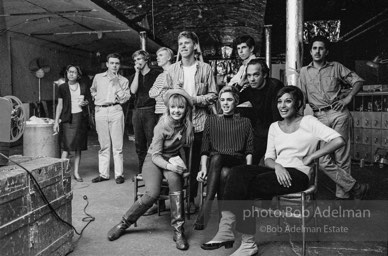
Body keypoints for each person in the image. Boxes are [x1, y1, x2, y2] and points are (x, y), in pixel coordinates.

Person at [201, 86, 368, 255]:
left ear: (298, 104)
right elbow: (268, 158)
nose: (282, 106)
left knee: (247, 186)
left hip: (298, 174)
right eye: (279, 102)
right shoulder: (274, 126)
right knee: (238, 172)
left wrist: (312, 157)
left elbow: (338, 140)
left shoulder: (309, 122)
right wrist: (278, 166)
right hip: (277, 171)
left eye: (288, 101)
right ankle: (226, 229)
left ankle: (247, 243)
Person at [107, 89, 194, 251]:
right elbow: (156, 156)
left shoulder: (187, 126)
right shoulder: (162, 126)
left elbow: (181, 148)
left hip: (171, 159)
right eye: (173, 107)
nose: (177, 111)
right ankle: (123, 223)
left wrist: (183, 166)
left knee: (176, 181)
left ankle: (178, 230)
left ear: (185, 109)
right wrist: (171, 166)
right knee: (152, 193)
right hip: (153, 160)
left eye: (180, 107)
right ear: (168, 108)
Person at [298, 35, 369, 200]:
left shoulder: (336, 67)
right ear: (310, 51)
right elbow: (301, 97)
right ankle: (356, 187)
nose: (317, 51)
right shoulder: (303, 72)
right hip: (319, 118)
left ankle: (342, 196)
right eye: (314, 48)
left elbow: (358, 81)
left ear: (326, 51)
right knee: (322, 160)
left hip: (339, 115)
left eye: (321, 48)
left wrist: (348, 98)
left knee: (341, 157)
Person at [165, 31, 218, 213]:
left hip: (199, 122)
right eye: (180, 44)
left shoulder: (205, 68)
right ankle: (179, 197)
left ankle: (192, 200)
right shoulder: (172, 70)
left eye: (187, 43)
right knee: (177, 160)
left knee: (196, 162)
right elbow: (164, 96)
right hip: (178, 123)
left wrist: (192, 99)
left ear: (195, 46)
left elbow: (213, 95)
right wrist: (175, 93)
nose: (183, 47)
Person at [194, 86, 254, 230]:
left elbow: (249, 150)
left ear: (236, 102)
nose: (225, 103)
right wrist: (203, 169)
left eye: (229, 100)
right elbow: (205, 149)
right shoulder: (211, 120)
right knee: (223, 171)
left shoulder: (245, 122)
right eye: (222, 100)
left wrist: (248, 170)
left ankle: (206, 206)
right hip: (217, 165)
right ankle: (224, 220)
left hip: (236, 161)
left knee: (218, 159)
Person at [90, 53, 130, 184]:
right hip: (100, 110)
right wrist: (96, 98)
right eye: (112, 63)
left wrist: (116, 83)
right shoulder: (98, 77)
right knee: (103, 145)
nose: (114, 65)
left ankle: (119, 175)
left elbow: (124, 99)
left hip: (116, 110)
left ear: (119, 65)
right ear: (107, 64)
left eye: (117, 63)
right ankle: (104, 174)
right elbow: (93, 89)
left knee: (117, 146)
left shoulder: (123, 80)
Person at [238, 58, 284, 164]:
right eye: (249, 75)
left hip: (276, 131)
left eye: (255, 75)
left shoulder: (275, 86)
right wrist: (240, 84)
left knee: (273, 163)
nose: (252, 79)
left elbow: (277, 118)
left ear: (264, 75)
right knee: (249, 161)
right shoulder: (249, 89)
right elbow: (231, 100)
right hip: (260, 132)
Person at [54, 65, 91, 182]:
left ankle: (76, 173)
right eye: (69, 72)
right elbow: (59, 105)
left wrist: (85, 102)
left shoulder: (83, 86)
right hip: (67, 120)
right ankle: (61, 174)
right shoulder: (62, 87)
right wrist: (56, 121)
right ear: (67, 73)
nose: (71, 74)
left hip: (80, 118)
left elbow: (88, 100)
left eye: (74, 72)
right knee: (66, 147)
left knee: (78, 147)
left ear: (78, 75)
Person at [130, 50, 161, 173]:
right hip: (137, 111)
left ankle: (153, 171)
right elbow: (133, 91)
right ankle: (142, 170)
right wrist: (137, 73)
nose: (137, 62)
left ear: (146, 59)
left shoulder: (156, 74)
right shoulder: (134, 77)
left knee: (152, 141)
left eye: (139, 59)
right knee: (139, 143)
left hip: (150, 111)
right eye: (135, 60)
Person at [149, 47, 174, 119]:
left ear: (169, 57)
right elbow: (151, 93)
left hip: (171, 112)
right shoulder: (160, 76)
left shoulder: (175, 73)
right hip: (160, 112)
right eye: (157, 56)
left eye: (160, 55)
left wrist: (159, 93)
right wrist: (162, 89)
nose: (157, 58)